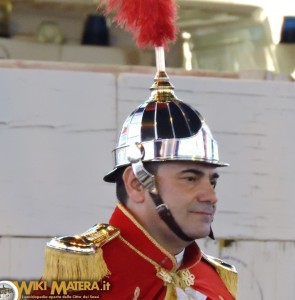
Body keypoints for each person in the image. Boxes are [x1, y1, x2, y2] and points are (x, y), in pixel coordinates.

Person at [31, 60, 237, 300]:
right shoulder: (83, 278)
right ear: (136, 184)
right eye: (190, 178)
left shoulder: (212, 277)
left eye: (212, 181)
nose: (211, 196)